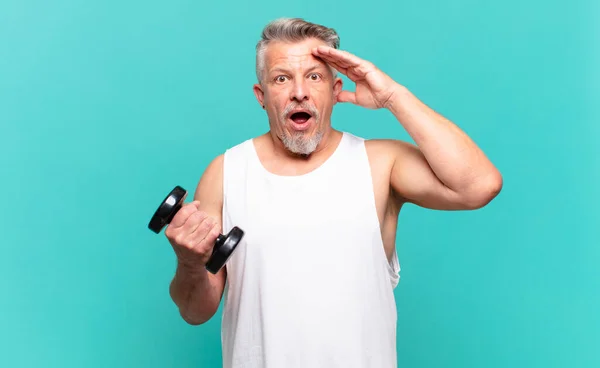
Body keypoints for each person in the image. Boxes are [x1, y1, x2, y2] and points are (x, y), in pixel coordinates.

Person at [165, 18, 503, 368]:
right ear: (261, 96)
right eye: (282, 78)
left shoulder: (380, 163)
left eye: (314, 77)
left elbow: (479, 186)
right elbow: (194, 311)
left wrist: (393, 97)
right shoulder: (227, 172)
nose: (299, 92)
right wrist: (189, 264)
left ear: (335, 89)